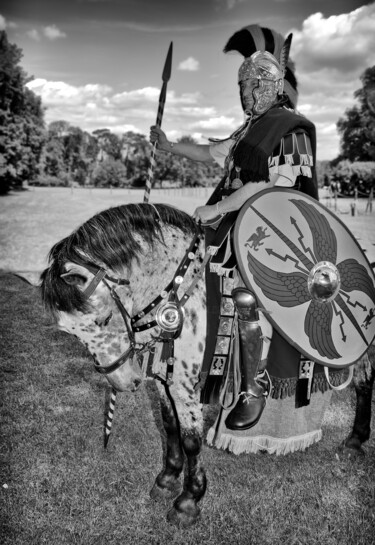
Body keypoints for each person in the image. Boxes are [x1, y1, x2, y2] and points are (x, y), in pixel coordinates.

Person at [150, 25, 342, 452]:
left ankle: (254, 388)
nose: (246, 91)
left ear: (273, 85)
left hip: (282, 235)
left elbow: (274, 187)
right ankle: (192, 367)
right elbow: (210, 153)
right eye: (242, 84)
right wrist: (168, 148)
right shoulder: (247, 130)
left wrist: (218, 208)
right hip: (239, 226)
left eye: (254, 83)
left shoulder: (293, 127)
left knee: (248, 298)